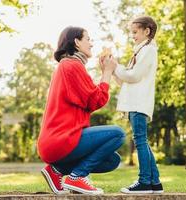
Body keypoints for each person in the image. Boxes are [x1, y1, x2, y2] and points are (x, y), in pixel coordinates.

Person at [37, 26, 125, 195]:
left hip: (58, 140)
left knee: (112, 160)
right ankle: (77, 177)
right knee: (118, 134)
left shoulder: (67, 66)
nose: (91, 44)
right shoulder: (72, 66)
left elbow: (89, 100)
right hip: (61, 139)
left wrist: (104, 73)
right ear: (77, 42)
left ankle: (56, 171)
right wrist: (107, 72)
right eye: (88, 39)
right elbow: (96, 100)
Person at [113, 16, 163, 194]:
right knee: (142, 141)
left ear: (147, 31)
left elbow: (134, 76)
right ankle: (155, 182)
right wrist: (113, 69)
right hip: (136, 102)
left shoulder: (148, 50)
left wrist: (117, 67)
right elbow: (126, 80)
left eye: (135, 32)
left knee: (140, 141)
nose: (132, 36)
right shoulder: (141, 51)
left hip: (139, 103)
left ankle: (144, 182)